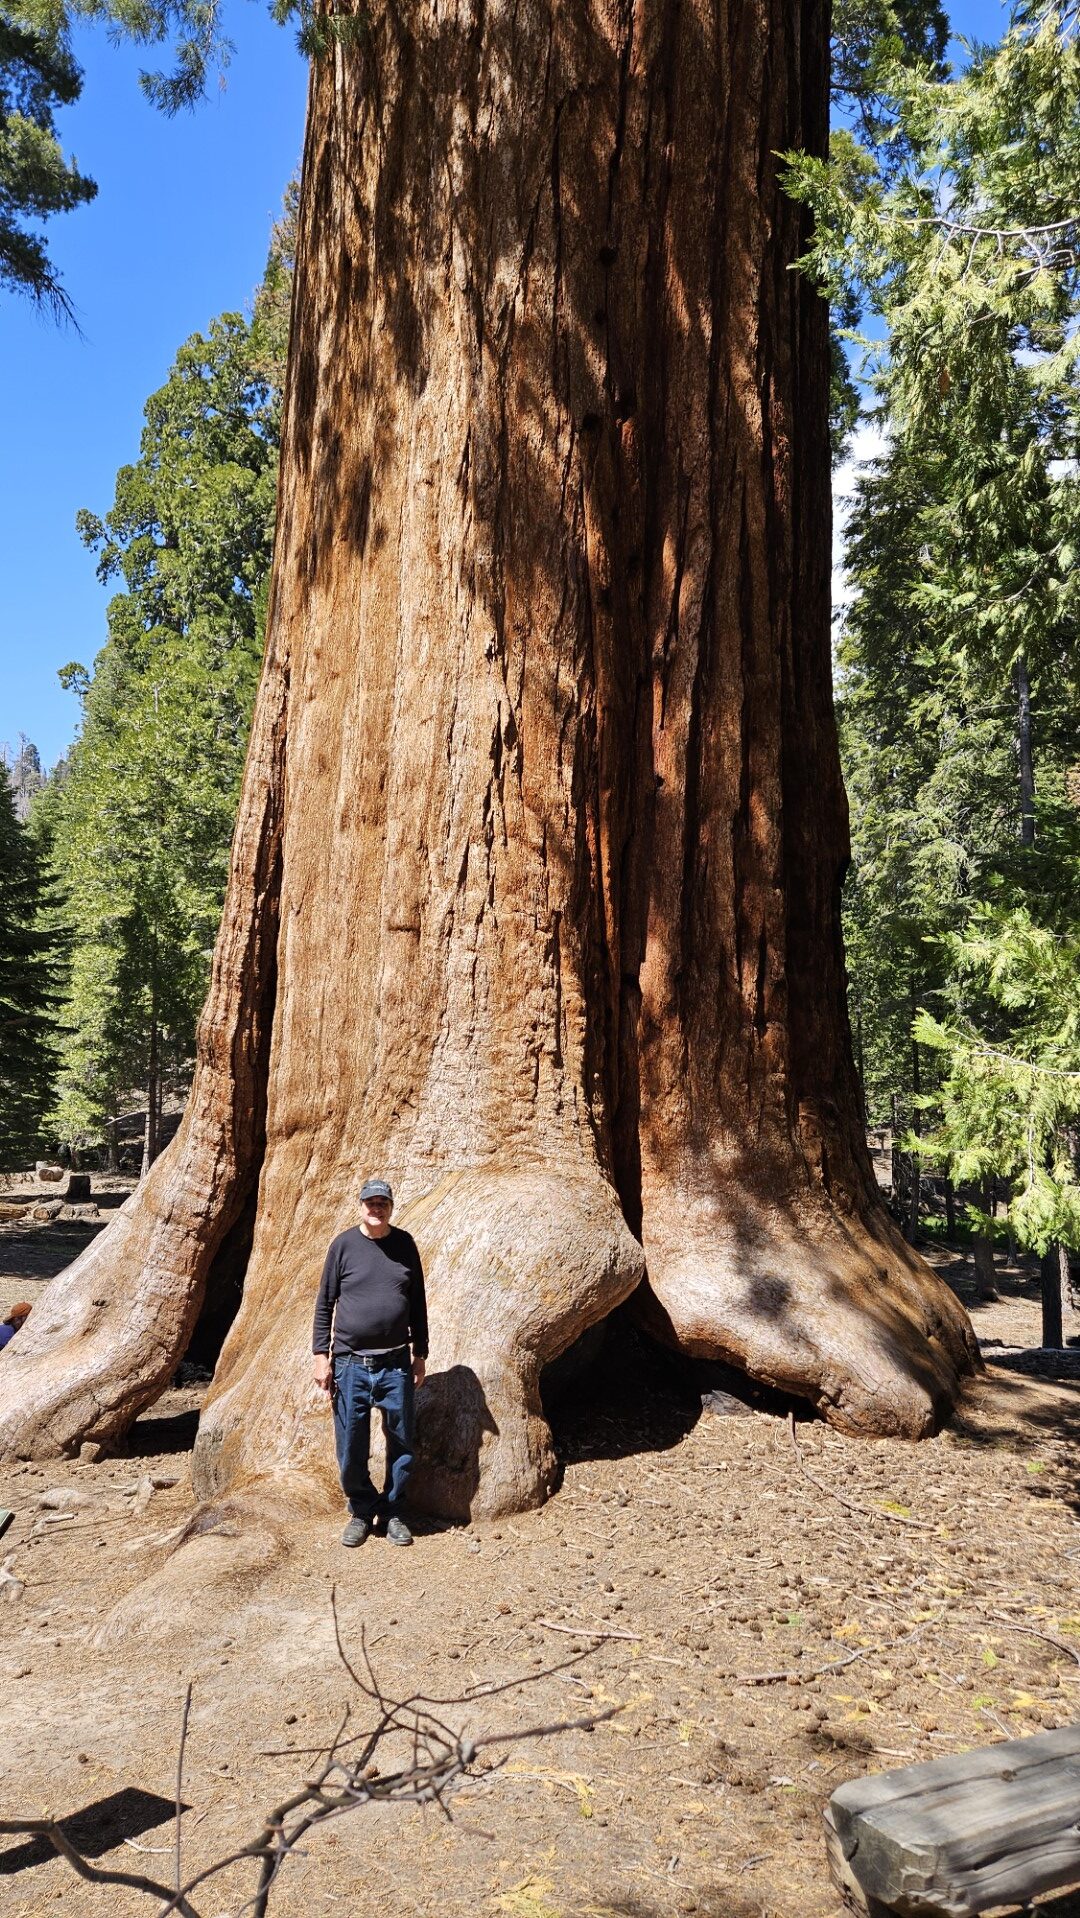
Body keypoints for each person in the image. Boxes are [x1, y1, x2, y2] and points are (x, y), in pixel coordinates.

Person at [312, 1179, 428, 1548]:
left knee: (402, 1441)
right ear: (360, 1205)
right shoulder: (343, 1246)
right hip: (349, 1365)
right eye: (370, 1202)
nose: (376, 1209)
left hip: (396, 1363)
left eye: (382, 1203)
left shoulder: (404, 1244)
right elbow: (324, 1303)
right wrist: (321, 1357)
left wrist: (420, 1353)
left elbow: (418, 1303)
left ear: (391, 1207)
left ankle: (393, 1511)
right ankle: (362, 1510)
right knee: (350, 1445)